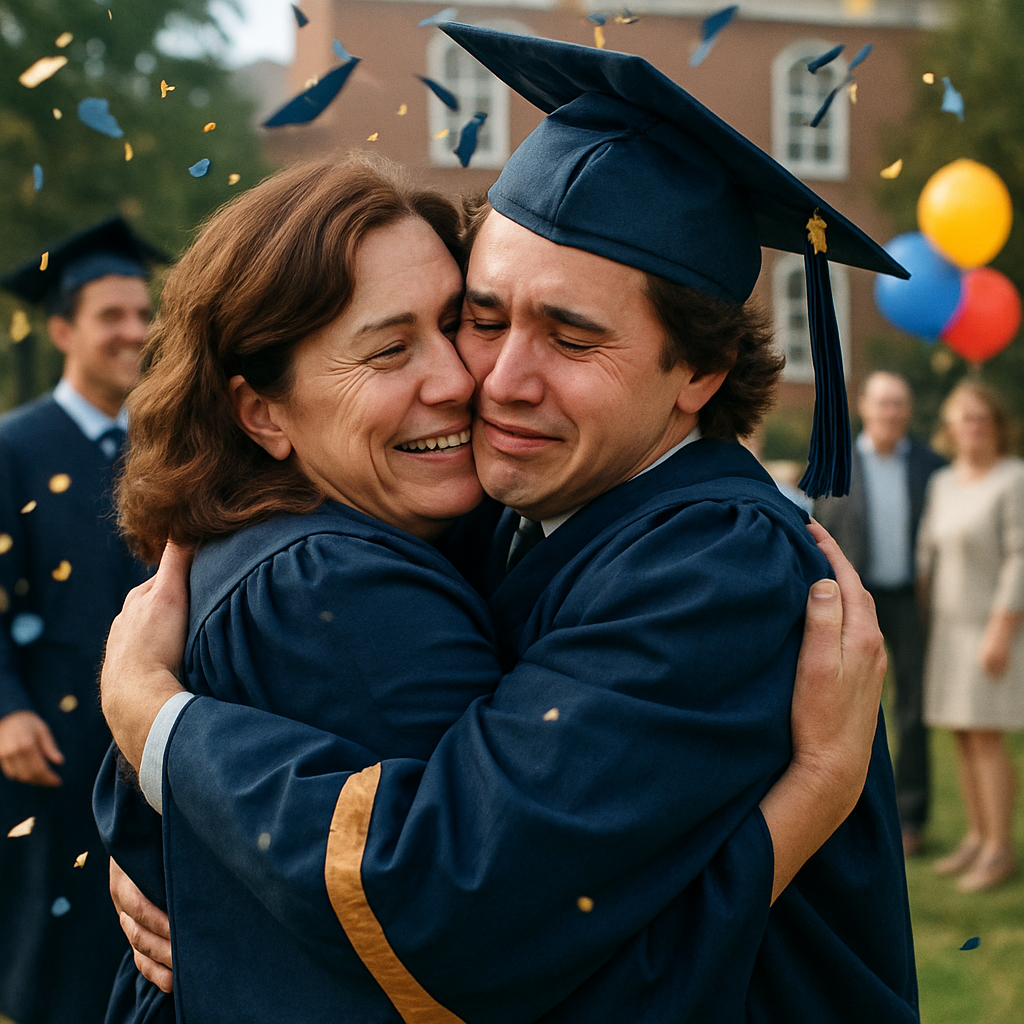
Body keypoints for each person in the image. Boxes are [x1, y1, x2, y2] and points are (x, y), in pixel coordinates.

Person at [102, 27, 918, 1023]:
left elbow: (455, 909)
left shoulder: (713, 564)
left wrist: (162, 728)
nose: (489, 380)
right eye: (482, 317)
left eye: (572, 336)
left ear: (697, 374)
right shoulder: (506, 510)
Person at [0, 218, 158, 1024]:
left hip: (148, 748)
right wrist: (7, 708)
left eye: (142, 312)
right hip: (52, 745)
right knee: (53, 952)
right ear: (63, 329)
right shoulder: (14, 447)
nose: (134, 331)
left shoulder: (168, 446)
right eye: (111, 316)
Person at [815, 371, 946, 855]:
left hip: (912, 601)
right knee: (850, 706)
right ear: (864, 407)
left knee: (913, 709)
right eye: (883, 404)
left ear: (908, 412)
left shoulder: (933, 467)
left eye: (900, 405)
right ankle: (850, 814)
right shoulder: (835, 461)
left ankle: (911, 818)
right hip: (856, 599)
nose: (891, 414)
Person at [917, 380, 1024, 891]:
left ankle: (1001, 849)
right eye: (964, 418)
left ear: (997, 425)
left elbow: (1020, 559)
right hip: (948, 628)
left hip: (990, 628)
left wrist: (1002, 630)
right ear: (950, 428)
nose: (972, 426)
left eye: (981, 417)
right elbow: (928, 554)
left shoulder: (1014, 478)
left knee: (986, 737)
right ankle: (977, 838)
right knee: (960, 734)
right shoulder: (943, 483)